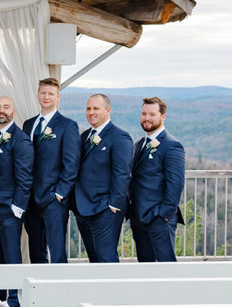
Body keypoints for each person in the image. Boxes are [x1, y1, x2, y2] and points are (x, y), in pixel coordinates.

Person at [0, 96, 33, 307]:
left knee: (12, 255)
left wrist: (17, 208)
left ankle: (14, 299)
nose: (1, 111)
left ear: (14, 111)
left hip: (9, 209)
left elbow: (25, 177)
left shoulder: (20, 140)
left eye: (6, 107)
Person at [21, 78, 81, 265]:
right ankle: (39, 292)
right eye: (43, 93)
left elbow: (71, 164)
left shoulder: (67, 125)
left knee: (56, 252)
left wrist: (59, 194)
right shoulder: (28, 124)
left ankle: (60, 292)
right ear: (38, 94)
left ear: (57, 97)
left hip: (54, 200)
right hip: (31, 199)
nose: (46, 97)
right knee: (36, 251)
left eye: (50, 94)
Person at [73, 93, 131, 263]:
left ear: (108, 110)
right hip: (83, 209)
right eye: (88, 109)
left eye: (96, 108)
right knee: (94, 259)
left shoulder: (120, 136)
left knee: (106, 259)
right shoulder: (84, 137)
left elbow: (122, 173)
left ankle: (114, 290)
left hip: (106, 209)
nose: (91, 112)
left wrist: (114, 204)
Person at [127, 97, 186, 262]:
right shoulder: (139, 144)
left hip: (159, 219)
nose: (147, 118)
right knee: (145, 267)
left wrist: (163, 216)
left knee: (165, 268)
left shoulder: (172, 145)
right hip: (139, 217)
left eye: (152, 114)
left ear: (163, 116)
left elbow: (175, 184)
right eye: (144, 113)